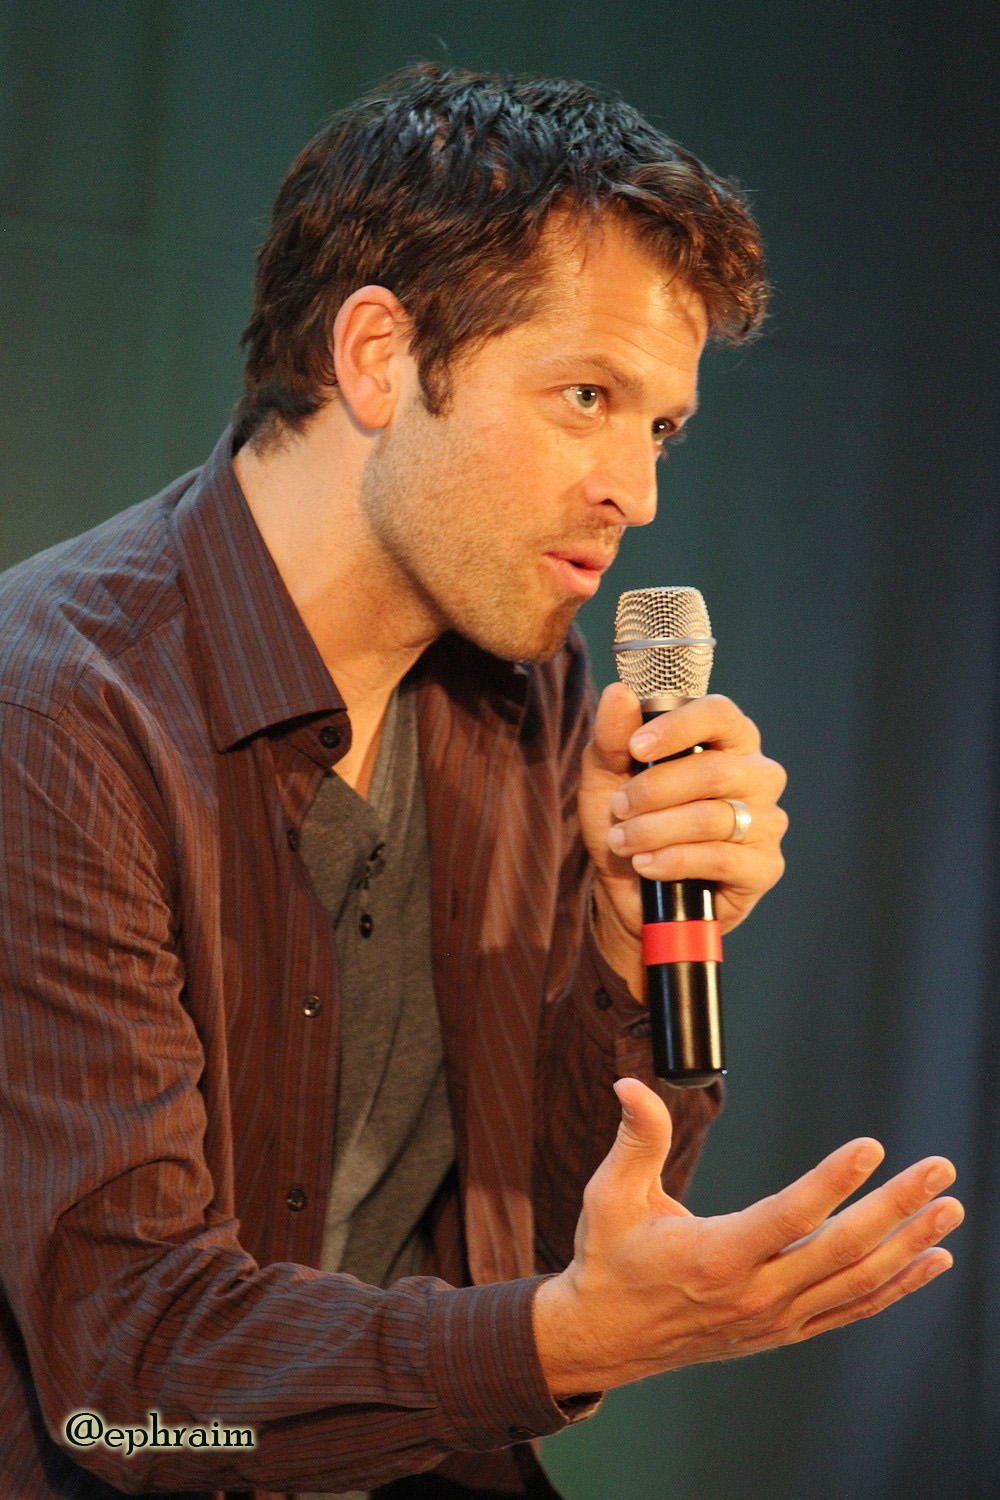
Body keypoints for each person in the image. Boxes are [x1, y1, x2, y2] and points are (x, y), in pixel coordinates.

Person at [0, 65, 962, 1500]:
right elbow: (128, 1391)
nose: (637, 492)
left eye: (660, 429)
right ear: (381, 357)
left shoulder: (535, 694)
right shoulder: (59, 711)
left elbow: (539, 1241)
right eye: (588, 396)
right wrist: (563, 1342)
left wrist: (627, 946)